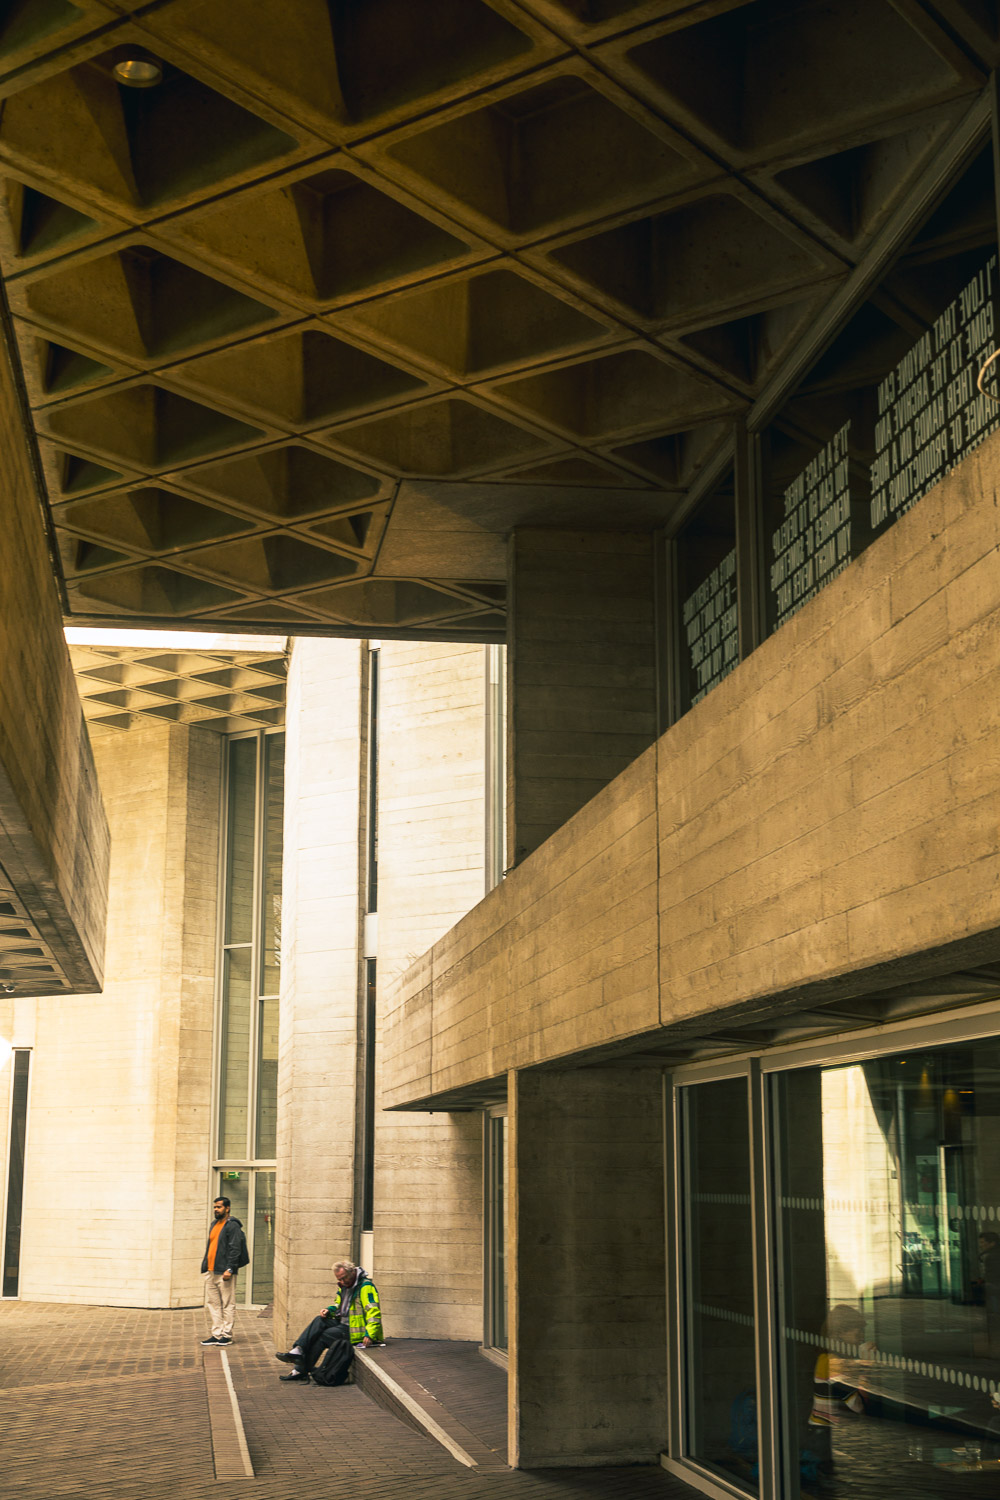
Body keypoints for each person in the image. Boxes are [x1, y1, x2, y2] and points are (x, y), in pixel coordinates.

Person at [275, 1258, 384, 1384]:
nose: (342, 1281)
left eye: (344, 1278)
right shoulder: (344, 1286)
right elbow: (339, 1305)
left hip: (356, 1331)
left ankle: (300, 1370)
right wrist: (329, 1310)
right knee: (319, 1320)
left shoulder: (366, 1287)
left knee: (323, 1336)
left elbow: (373, 1311)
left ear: (352, 1272)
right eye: (339, 1279)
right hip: (343, 1324)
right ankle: (298, 1350)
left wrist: (370, 1334)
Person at [200, 1196, 249, 1347]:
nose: (216, 1210)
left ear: (227, 1208)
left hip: (224, 1271)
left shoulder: (232, 1225)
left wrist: (230, 1268)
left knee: (227, 1303)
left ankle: (226, 1335)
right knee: (213, 1303)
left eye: (219, 1207)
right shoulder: (214, 1224)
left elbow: (235, 1248)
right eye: (215, 1207)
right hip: (211, 1270)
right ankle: (217, 1334)